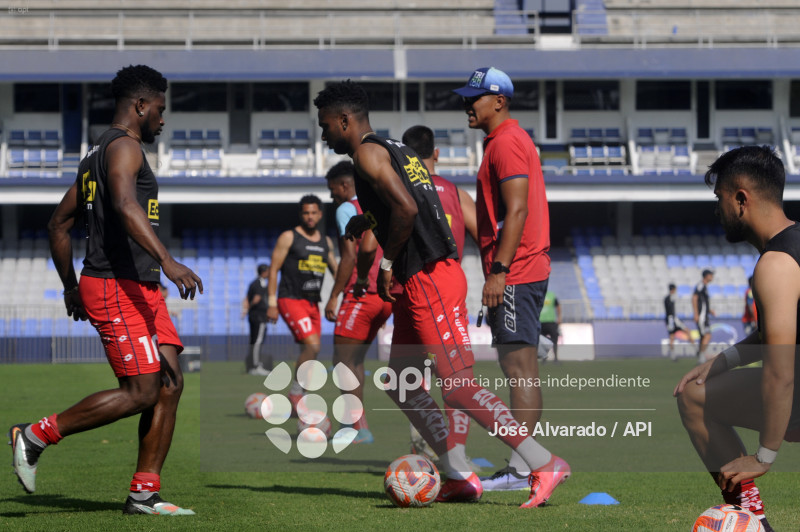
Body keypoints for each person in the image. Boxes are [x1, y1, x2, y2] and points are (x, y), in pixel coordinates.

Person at [314, 79, 568, 508]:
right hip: (421, 282)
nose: (323, 135)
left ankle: (543, 463)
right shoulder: (396, 148)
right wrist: (367, 223)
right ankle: (459, 473)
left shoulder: (367, 153)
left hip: (431, 278)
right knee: (400, 381)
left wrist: (389, 263)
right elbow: (413, 203)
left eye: (325, 126)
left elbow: (409, 210)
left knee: (459, 387)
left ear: (344, 120)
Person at [8, 65, 201, 516]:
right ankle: (35, 435)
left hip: (139, 288)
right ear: (140, 105)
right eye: (159, 109)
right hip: (117, 285)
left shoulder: (96, 154)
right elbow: (124, 203)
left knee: (170, 385)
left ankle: (143, 494)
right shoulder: (125, 148)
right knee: (141, 391)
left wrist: (70, 289)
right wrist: (168, 261)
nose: (162, 119)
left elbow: (59, 223)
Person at [452, 67, 569, 493]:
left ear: (499, 101)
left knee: (519, 370)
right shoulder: (506, 142)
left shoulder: (506, 144)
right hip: (520, 269)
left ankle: (523, 470)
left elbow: (515, 211)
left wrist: (499, 272)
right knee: (518, 368)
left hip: (516, 271)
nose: (467, 104)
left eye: (475, 97)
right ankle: (523, 466)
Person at [674, 146, 800, 532]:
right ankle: (754, 520)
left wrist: (763, 457)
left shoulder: (775, 264)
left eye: (720, 199)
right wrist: (722, 360)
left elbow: (780, 373)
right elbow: (773, 335)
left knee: (693, 398)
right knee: (696, 390)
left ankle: (753, 520)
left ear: (741, 199)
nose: (718, 210)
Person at [401, 124, 478, 467]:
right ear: (437, 153)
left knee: (408, 377)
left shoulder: (402, 187)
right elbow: (486, 236)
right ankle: (456, 450)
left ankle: (431, 445)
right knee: (455, 374)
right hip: (448, 286)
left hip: (413, 287)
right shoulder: (457, 194)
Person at [323, 161, 393, 444]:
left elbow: (350, 256)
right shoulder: (378, 203)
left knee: (342, 361)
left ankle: (358, 427)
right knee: (356, 361)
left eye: (332, 191)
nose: (332, 197)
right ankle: (350, 421)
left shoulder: (346, 209)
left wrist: (334, 294)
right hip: (385, 295)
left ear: (343, 186)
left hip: (361, 294)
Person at [266, 195, 337, 411]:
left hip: (313, 303)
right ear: (301, 214)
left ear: (320, 214)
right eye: (306, 213)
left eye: (314, 212)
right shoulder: (289, 237)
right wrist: (272, 302)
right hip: (290, 299)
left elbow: (337, 271)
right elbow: (274, 268)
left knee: (313, 352)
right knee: (312, 346)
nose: (310, 217)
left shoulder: (326, 242)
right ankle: (296, 394)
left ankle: (299, 397)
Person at [242, 263, 272, 376]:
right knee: (258, 341)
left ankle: (251, 366)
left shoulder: (253, 283)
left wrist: (246, 310)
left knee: (253, 340)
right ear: (264, 272)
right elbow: (256, 299)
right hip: (259, 316)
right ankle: (255, 365)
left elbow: (246, 298)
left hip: (253, 316)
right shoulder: (260, 283)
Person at [665, 283, 694, 360]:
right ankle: (697, 350)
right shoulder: (671, 297)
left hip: (669, 320)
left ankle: (672, 355)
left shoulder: (666, 298)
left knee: (671, 337)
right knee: (687, 331)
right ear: (673, 289)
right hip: (673, 319)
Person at [693, 269, 716, 363]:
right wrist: (696, 313)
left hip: (704, 315)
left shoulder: (705, 287)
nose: (712, 277)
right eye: (711, 275)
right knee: (707, 335)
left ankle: (700, 356)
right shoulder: (700, 285)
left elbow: (703, 302)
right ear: (706, 276)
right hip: (701, 316)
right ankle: (701, 356)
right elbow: (694, 298)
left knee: (703, 336)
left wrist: (709, 310)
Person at [539, 290, 561, 363]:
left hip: (551, 322)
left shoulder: (551, 295)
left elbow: (558, 306)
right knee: (542, 342)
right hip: (541, 322)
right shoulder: (538, 295)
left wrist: (559, 317)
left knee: (554, 340)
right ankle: (544, 358)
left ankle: (556, 358)